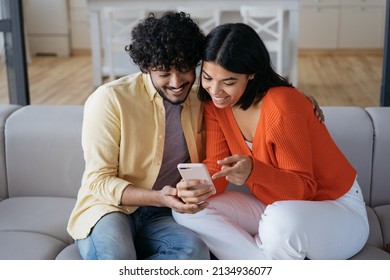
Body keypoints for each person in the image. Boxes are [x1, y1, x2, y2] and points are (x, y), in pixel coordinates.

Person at [173, 23, 369, 260]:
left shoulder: (283, 106)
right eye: (207, 77)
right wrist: (196, 188)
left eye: (229, 81)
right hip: (276, 207)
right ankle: (262, 264)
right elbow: (218, 168)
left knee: (278, 222)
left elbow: (303, 189)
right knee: (186, 210)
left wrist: (254, 172)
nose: (216, 90)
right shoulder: (217, 106)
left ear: (252, 73)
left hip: (336, 209)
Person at [66, 11, 213, 260]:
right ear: (146, 68)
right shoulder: (111, 99)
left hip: (161, 213)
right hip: (108, 208)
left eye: (185, 69)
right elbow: (99, 181)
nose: (177, 82)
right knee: (117, 258)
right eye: (164, 73)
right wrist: (158, 197)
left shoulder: (201, 100)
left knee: (194, 252)